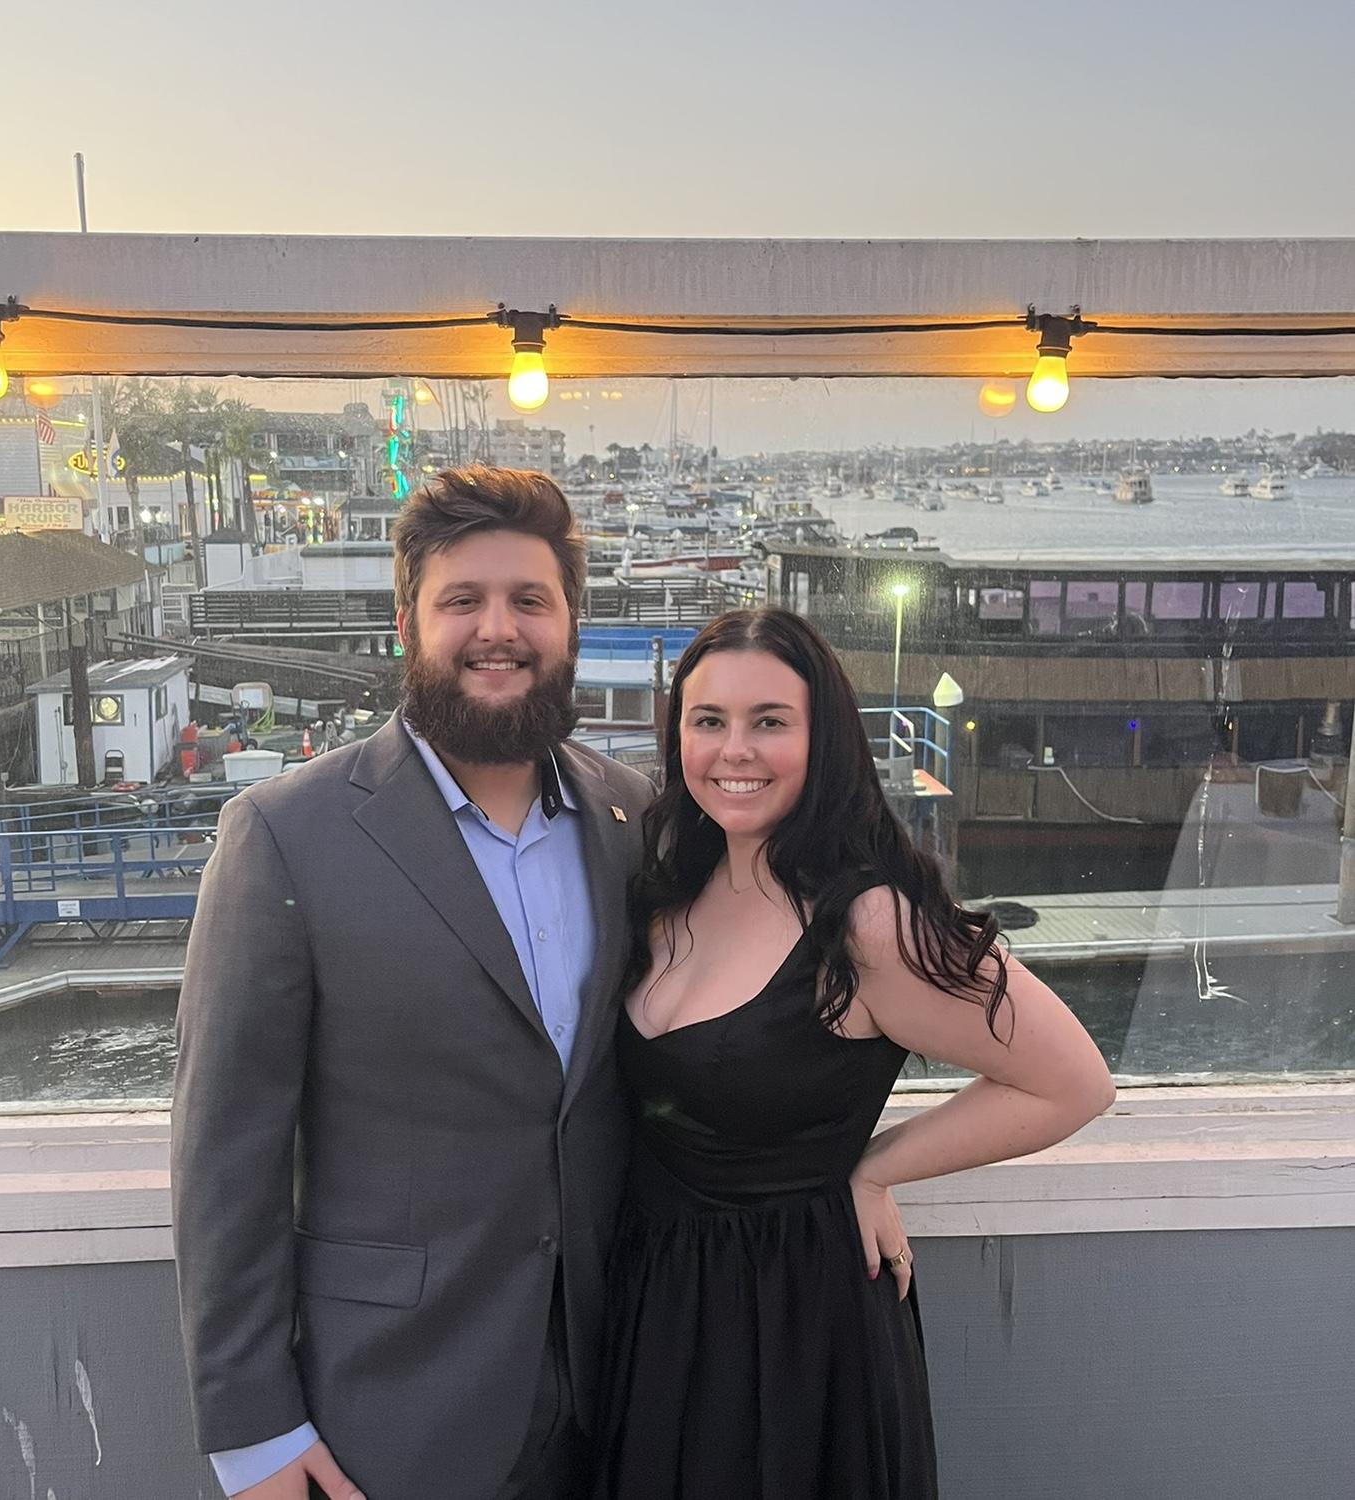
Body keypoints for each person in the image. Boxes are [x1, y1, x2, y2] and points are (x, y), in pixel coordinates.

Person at [172, 467, 655, 1500]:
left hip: (618, 1393)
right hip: (391, 1410)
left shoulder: (633, 819)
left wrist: (850, 1165)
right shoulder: (285, 836)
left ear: (570, 624)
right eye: (462, 600)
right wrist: (253, 1430)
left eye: (530, 600)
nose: (499, 630)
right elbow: (226, 1150)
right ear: (408, 626)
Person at [592, 609, 1116, 1499]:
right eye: (708, 720)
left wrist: (873, 1170)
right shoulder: (672, 882)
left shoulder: (869, 921)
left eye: (770, 721)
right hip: (661, 1310)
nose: (734, 750)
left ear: (824, 738)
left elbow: (1072, 1082)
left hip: (794, 1332)